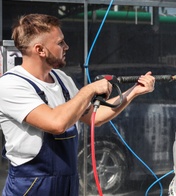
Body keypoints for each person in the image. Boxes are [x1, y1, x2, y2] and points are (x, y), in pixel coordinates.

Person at [0, 14, 155, 196]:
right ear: (40, 50)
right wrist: (88, 90)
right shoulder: (10, 85)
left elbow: (92, 117)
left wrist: (134, 92)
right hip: (31, 187)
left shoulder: (61, 79)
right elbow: (56, 123)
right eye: (60, 43)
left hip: (68, 183)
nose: (66, 47)